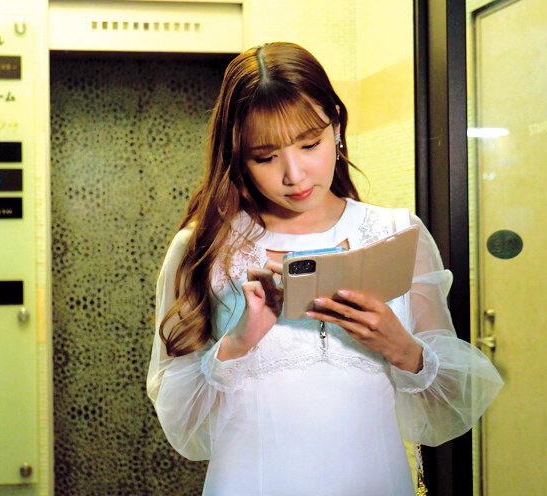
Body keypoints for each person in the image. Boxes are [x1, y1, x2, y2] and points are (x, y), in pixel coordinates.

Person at [146, 42, 503, 495]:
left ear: (336, 126)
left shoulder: (397, 233)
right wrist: (236, 344)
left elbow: (452, 400)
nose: (294, 175)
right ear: (236, 154)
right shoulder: (204, 247)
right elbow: (180, 416)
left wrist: (400, 347)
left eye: (310, 144)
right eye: (265, 156)